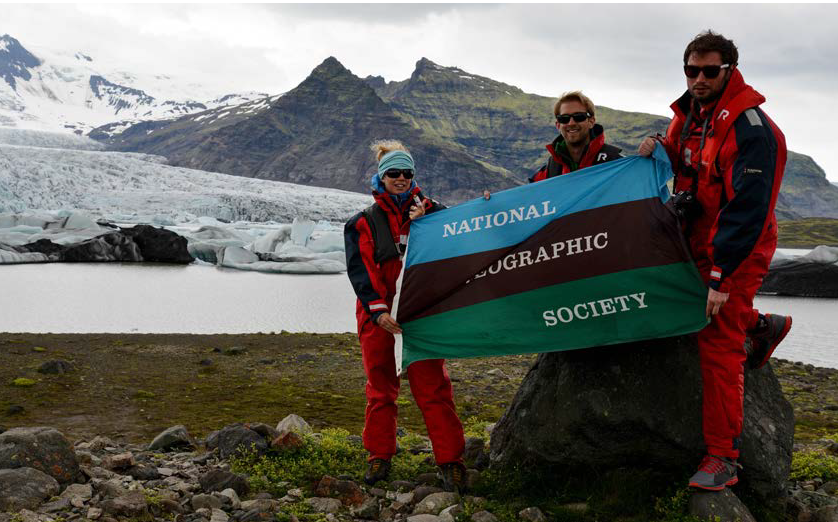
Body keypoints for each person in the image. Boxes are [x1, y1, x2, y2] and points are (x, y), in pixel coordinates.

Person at [638, 30, 792, 491]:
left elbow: (749, 210)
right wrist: (655, 148)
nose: (698, 79)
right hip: (695, 242)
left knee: (718, 344)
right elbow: (684, 166)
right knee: (679, 311)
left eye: (709, 71)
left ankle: (724, 457)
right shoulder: (687, 118)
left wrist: (722, 278)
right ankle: (762, 325)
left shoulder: (752, 131)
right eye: (691, 70)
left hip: (738, 249)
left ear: (729, 70)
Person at [344, 140, 467, 492]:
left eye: (406, 173)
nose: (400, 178)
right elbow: (360, 271)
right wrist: (378, 311)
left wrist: (426, 225)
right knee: (381, 386)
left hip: (422, 312)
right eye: (393, 173)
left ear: (414, 176)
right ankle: (379, 454)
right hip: (377, 315)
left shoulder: (435, 212)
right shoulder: (362, 223)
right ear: (381, 177)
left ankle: (451, 460)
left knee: (433, 386)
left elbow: (460, 246)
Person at [529, 90, 622, 182]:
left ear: (591, 122)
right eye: (564, 118)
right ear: (558, 125)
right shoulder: (548, 173)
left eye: (579, 117)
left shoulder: (617, 163)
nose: (571, 123)